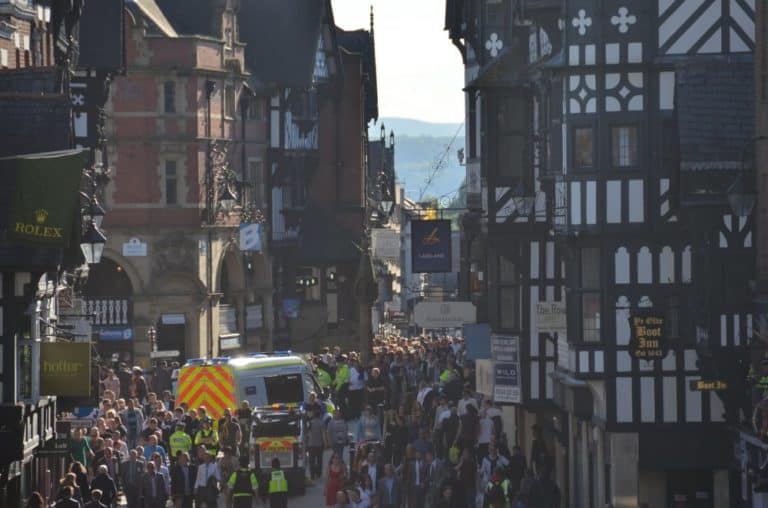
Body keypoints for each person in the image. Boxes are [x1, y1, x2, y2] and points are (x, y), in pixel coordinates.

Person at [306, 405, 326, 480]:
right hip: (319, 444)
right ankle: (319, 473)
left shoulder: (309, 423)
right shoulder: (322, 423)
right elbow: (323, 434)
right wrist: (326, 443)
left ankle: (312, 475)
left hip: (311, 445)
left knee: (312, 460)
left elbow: (306, 434)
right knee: (319, 459)